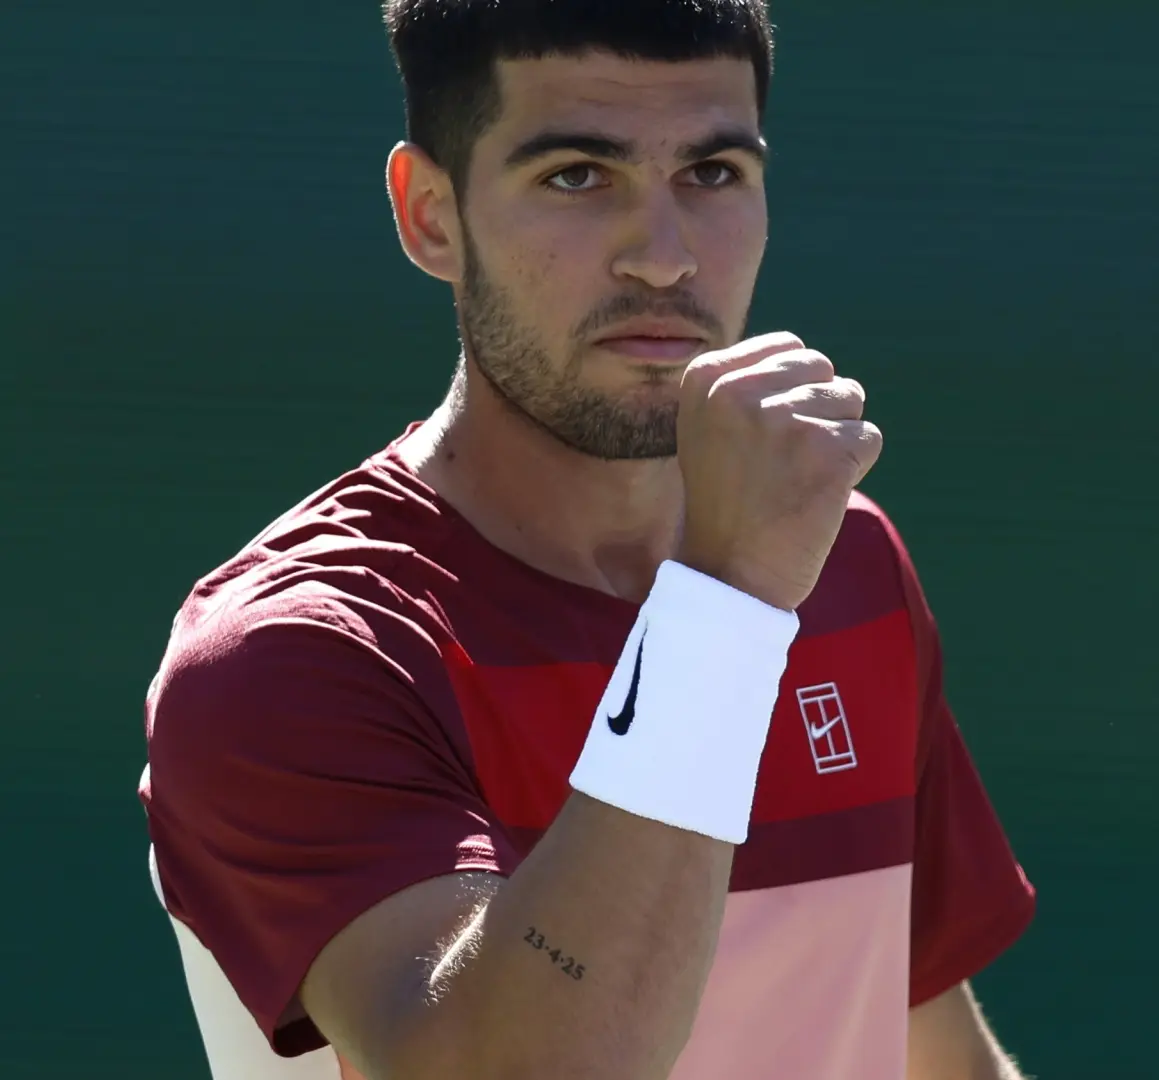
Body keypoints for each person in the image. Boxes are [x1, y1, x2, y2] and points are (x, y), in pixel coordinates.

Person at [136, 2, 1038, 1077]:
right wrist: (730, 605)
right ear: (430, 215)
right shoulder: (300, 651)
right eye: (576, 175)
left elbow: (923, 1046)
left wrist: (737, 592)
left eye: (711, 174)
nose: (663, 258)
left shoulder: (842, 561)